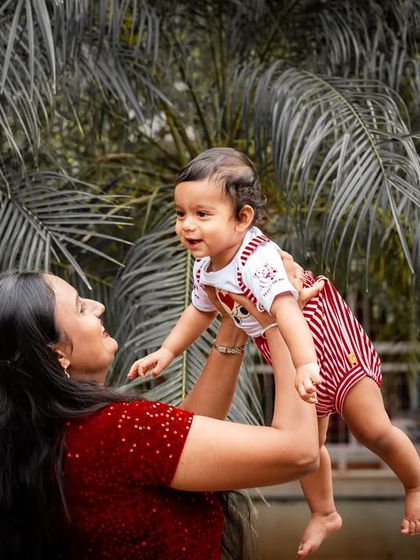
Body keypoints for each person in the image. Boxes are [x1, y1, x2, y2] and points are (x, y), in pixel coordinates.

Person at [129, 147, 420, 556]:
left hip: (325, 339)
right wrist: (167, 351)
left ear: (243, 218)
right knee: (311, 445)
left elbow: (289, 311)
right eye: (180, 214)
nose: (187, 226)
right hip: (289, 347)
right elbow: (199, 310)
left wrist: (305, 365)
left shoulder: (257, 260)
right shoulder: (206, 265)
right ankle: (325, 512)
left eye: (201, 214)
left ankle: (415, 484)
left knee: (371, 428)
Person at [0, 268, 320, 560]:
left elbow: (174, 449)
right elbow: (299, 451)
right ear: (58, 355)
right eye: (81, 307)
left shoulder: (45, 436)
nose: (98, 306)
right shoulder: (120, 430)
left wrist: (234, 323)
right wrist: (279, 316)